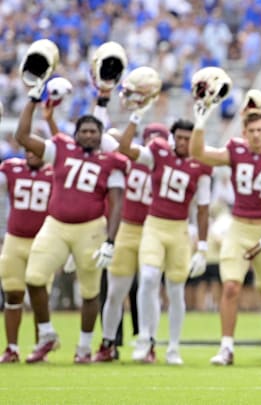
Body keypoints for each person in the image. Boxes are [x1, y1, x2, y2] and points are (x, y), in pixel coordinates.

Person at [16, 92, 126, 364]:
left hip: (90, 228)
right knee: (34, 277)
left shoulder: (110, 161)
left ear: (101, 136)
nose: (89, 135)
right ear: (75, 134)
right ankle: (46, 334)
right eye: (84, 131)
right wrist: (32, 99)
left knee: (90, 292)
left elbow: (117, 203)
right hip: (55, 224)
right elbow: (23, 137)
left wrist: (110, 241)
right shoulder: (60, 149)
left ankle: (85, 347)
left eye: (94, 131)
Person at [189, 108, 261, 367]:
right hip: (238, 229)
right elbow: (198, 153)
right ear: (244, 134)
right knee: (230, 287)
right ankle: (226, 347)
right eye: (252, 131)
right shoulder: (236, 152)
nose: (257, 135)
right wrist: (200, 124)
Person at [117, 110, 212, 365]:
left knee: (176, 289)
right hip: (154, 225)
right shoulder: (158, 152)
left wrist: (202, 247)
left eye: (187, 139)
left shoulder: (200, 164)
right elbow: (125, 148)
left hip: (179, 230)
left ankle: (173, 346)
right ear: (172, 138)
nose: (182, 143)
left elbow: (203, 208)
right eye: (179, 138)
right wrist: (135, 116)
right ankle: (145, 338)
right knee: (148, 278)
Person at [93, 123, 171, 362]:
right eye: (150, 138)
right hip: (127, 227)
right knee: (116, 292)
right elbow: (106, 138)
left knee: (149, 287)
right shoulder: (129, 160)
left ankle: (149, 342)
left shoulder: (169, 166)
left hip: (153, 228)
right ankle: (108, 342)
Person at [0, 150, 53, 363]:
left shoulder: (54, 172)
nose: (31, 154)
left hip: (43, 241)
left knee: (41, 297)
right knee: (13, 295)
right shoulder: (11, 167)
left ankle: (41, 348)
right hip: (14, 239)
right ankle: (12, 348)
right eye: (28, 150)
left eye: (36, 150)